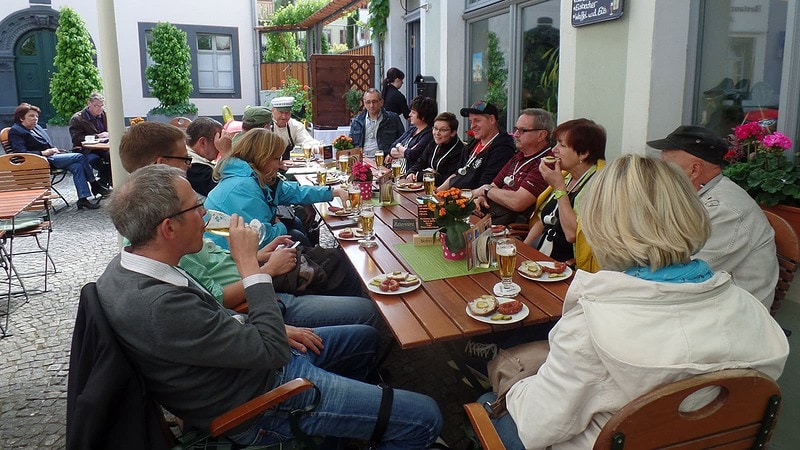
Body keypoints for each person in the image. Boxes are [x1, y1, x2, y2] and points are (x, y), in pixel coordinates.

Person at [98, 165, 443, 448]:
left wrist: (269, 326)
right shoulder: (158, 304)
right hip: (262, 403)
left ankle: (344, 427)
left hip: (249, 363)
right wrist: (250, 266)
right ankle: (341, 418)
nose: (205, 214)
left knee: (365, 339)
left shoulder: (135, 266)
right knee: (426, 417)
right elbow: (271, 351)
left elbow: (211, 323)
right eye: (196, 207)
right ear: (169, 227)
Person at [479, 155, 789, 450]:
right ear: (690, 213)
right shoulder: (749, 308)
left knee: (486, 403)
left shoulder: (592, 324)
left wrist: (517, 388)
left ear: (602, 225)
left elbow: (537, 426)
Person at [118, 121, 376, 332]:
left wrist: (259, 257)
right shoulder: (165, 237)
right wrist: (266, 270)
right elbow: (218, 304)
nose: (204, 213)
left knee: (320, 252)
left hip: (253, 278)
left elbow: (215, 267)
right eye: (186, 159)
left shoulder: (164, 230)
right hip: (255, 299)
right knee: (353, 295)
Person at [648, 125, 779, 308]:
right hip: (706, 301)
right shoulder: (699, 195)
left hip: (734, 313)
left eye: (666, 168)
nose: (660, 176)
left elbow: (681, 272)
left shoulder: (725, 210)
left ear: (694, 170)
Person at [205, 129, 348, 248]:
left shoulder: (251, 177)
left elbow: (295, 192)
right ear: (262, 158)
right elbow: (262, 239)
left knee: (301, 240)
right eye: (276, 159)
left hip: (234, 253)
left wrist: (333, 192)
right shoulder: (244, 185)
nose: (280, 164)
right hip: (226, 261)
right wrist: (279, 226)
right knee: (303, 244)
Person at [522, 119, 606, 266]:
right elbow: (544, 220)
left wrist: (559, 188)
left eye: (562, 145)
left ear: (583, 153)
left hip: (567, 267)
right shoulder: (567, 177)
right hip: (542, 256)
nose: (554, 149)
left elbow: (572, 235)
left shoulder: (598, 186)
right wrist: (522, 251)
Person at [8, 102, 108, 210]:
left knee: (77, 166)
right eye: (31, 116)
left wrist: (54, 150)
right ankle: (95, 185)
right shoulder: (16, 131)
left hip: (52, 156)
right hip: (40, 161)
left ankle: (83, 199)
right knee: (79, 157)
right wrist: (43, 153)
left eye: (36, 116)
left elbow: (45, 144)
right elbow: (21, 153)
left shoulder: (36, 128)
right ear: (21, 118)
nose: (35, 119)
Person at [473, 108, 556, 226]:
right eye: (516, 129)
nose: (516, 134)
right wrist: (482, 197)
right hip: (492, 217)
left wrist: (486, 191)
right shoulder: (519, 156)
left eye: (522, 130)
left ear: (541, 135)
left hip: (511, 227)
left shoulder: (546, 163)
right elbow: (494, 185)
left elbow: (517, 202)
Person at [437, 101, 515, 191]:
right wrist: (437, 192)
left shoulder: (502, 150)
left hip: (472, 198)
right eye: (471, 121)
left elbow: (485, 187)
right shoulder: (472, 145)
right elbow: (456, 174)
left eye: (477, 120)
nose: (472, 126)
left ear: (492, 119)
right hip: (456, 195)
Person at [406, 112, 464, 185]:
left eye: (443, 130)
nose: (437, 133)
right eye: (435, 128)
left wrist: (420, 175)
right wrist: (412, 172)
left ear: (453, 133)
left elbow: (447, 178)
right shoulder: (434, 142)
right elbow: (421, 161)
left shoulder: (459, 150)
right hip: (427, 185)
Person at [69, 92, 112, 188]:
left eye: (102, 106)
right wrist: (97, 137)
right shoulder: (78, 119)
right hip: (87, 150)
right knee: (96, 161)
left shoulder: (104, 115)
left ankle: (103, 184)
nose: (100, 108)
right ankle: (102, 185)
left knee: (114, 157)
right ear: (89, 104)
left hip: (104, 148)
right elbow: (76, 139)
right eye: (97, 106)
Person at [385, 95, 436, 174]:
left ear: (423, 116)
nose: (409, 114)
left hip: (409, 174)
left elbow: (413, 155)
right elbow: (392, 147)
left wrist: (399, 148)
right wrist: (404, 150)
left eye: (413, 112)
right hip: (395, 171)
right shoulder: (412, 129)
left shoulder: (429, 134)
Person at [349, 88, 404, 158]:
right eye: (368, 102)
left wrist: (392, 155)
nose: (371, 105)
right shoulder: (357, 121)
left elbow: (403, 140)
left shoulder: (393, 119)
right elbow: (351, 144)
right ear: (364, 103)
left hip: (385, 159)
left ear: (381, 102)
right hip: (362, 160)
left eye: (374, 102)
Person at [185, 117, 233, 197]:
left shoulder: (196, 161)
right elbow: (227, 192)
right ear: (203, 142)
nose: (220, 145)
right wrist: (226, 152)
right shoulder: (193, 167)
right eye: (218, 140)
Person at [269, 96, 321, 160]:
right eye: (281, 112)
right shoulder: (266, 125)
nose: (284, 116)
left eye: (287, 113)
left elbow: (306, 140)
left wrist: (315, 147)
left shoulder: (294, 125)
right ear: (273, 110)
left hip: (286, 163)